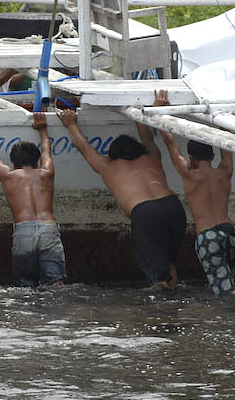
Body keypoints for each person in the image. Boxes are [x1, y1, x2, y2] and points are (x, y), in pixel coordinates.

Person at [59, 92, 186, 289]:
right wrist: (150, 108)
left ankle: (162, 316)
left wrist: (71, 123)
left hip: (146, 214)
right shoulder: (152, 154)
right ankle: (176, 308)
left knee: (156, 277)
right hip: (173, 206)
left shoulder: (108, 166)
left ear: (113, 155)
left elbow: (83, 146)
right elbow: (145, 133)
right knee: (169, 263)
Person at [156, 92, 235, 296]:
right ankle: (232, 321)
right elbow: (226, 141)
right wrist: (223, 114)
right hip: (231, 233)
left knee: (226, 292)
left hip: (209, 236)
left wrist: (159, 109)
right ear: (213, 155)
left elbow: (169, 141)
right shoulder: (225, 172)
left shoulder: (189, 175)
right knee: (227, 283)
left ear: (191, 157)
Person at [0, 112, 66, 287]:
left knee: (25, 285)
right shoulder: (47, 173)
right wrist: (43, 129)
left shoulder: (9, 176)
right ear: (37, 162)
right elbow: (47, 150)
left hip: (24, 231)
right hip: (48, 228)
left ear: (13, 163)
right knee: (55, 282)